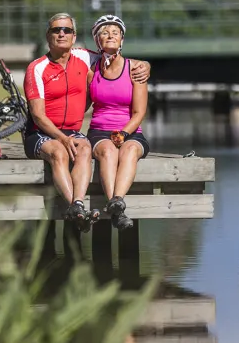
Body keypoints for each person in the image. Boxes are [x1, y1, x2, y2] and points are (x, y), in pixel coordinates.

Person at [23, 12, 151, 232]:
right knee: (59, 152)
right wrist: (62, 138)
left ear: (74, 37)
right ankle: (75, 206)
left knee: (83, 149)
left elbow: (111, 55)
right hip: (41, 132)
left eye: (67, 30)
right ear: (48, 36)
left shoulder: (85, 59)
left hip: (72, 131)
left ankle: (79, 205)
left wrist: (145, 65)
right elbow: (38, 115)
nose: (62, 33)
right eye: (56, 30)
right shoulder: (36, 68)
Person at [87, 15, 149, 231]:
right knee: (108, 152)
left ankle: (116, 201)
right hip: (99, 131)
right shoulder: (92, 72)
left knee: (130, 150)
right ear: (97, 41)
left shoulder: (136, 69)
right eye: (104, 32)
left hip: (130, 130)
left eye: (115, 32)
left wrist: (124, 133)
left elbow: (139, 111)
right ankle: (117, 210)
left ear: (122, 39)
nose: (110, 35)